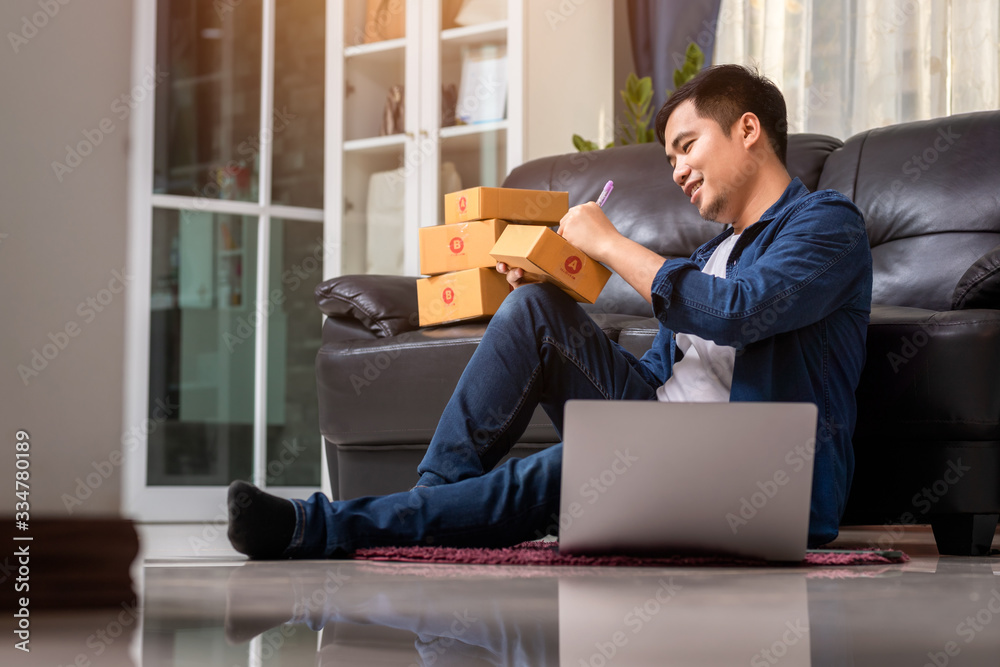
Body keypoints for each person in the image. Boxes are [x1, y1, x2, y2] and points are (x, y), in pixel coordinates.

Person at [227, 64, 873, 559]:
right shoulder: (711, 251)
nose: (676, 169)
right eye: (669, 157)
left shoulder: (826, 225)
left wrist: (610, 242)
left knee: (552, 476)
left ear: (748, 129)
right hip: (663, 435)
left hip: (755, 473)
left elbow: (741, 312)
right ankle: (430, 501)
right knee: (536, 307)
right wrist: (546, 274)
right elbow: (655, 381)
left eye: (686, 145)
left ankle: (317, 525)